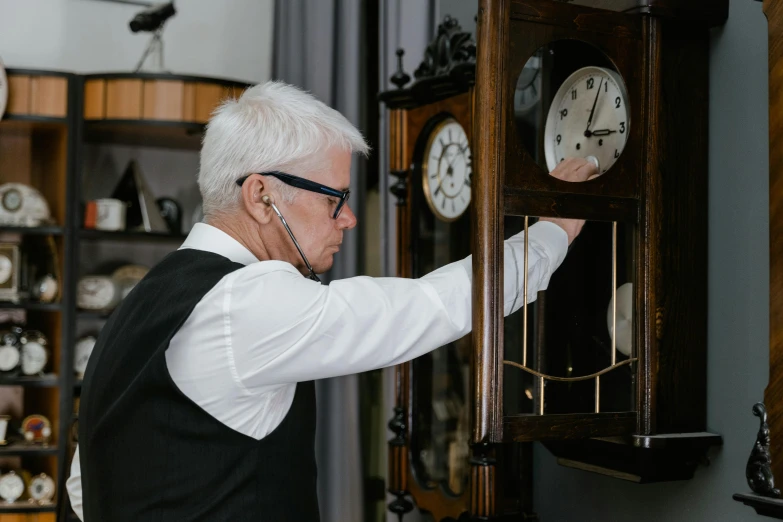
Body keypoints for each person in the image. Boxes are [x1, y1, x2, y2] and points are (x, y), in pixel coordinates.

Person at [66, 81, 597, 521]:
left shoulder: (139, 306)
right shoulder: (243, 303)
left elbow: (83, 488)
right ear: (261, 195)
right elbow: (426, 308)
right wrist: (551, 230)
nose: (348, 218)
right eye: (333, 199)